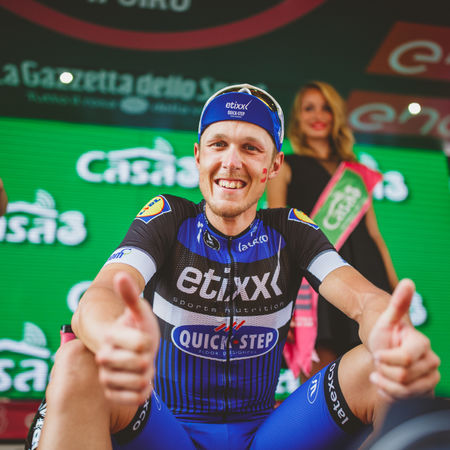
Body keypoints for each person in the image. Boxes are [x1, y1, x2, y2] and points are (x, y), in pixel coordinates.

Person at [35, 84, 439, 450]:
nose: (231, 162)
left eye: (250, 148)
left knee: (388, 367)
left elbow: (365, 300)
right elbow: (101, 295)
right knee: (78, 361)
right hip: (167, 431)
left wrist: (391, 336)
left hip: (265, 437)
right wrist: (111, 338)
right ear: (198, 155)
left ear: (274, 165)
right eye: (218, 144)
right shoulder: (168, 217)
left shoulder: (293, 229)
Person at [267, 81, 399, 381]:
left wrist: (393, 285)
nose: (318, 115)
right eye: (309, 108)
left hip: (365, 272)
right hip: (318, 279)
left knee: (374, 375)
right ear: (297, 118)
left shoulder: (355, 170)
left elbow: (374, 233)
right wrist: (283, 290)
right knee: (319, 380)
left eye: (325, 108)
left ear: (335, 115)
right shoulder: (285, 165)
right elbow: (279, 233)